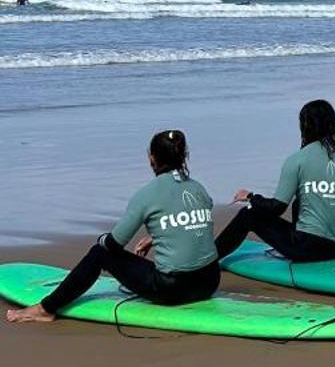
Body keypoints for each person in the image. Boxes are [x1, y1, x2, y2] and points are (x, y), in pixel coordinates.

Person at [6, 128, 220, 325]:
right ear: (183, 156)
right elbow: (194, 223)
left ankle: (46, 308)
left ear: (152, 158)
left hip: (173, 290)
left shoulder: (147, 194)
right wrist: (155, 238)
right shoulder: (198, 188)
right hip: (209, 282)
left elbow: (114, 244)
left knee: (100, 253)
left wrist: (102, 239)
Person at [215, 99, 335, 265]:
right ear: (332, 125)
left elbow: (277, 208)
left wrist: (251, 197)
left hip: (307, 248)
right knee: (300, 202)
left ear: (305, 125)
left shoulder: (297, 160)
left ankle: (209, 261)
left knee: (248, 214)